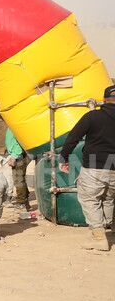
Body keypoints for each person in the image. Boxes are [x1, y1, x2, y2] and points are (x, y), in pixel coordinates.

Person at [59, 84, 115, 251]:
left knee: (90, 200)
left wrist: (64, 157)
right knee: (108, 199)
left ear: (104, 100)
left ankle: (99, 239)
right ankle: (101, 232)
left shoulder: (92, 116)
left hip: (94, 167)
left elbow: (73, 137)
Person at [5, 128, 31, 210]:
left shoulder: (15, 124)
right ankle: (24, 200)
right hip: (18, 154)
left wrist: (14, 156)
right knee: (20, 178)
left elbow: (18, 143)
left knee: (18, 178)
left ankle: (21, 202)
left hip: (19, 155)